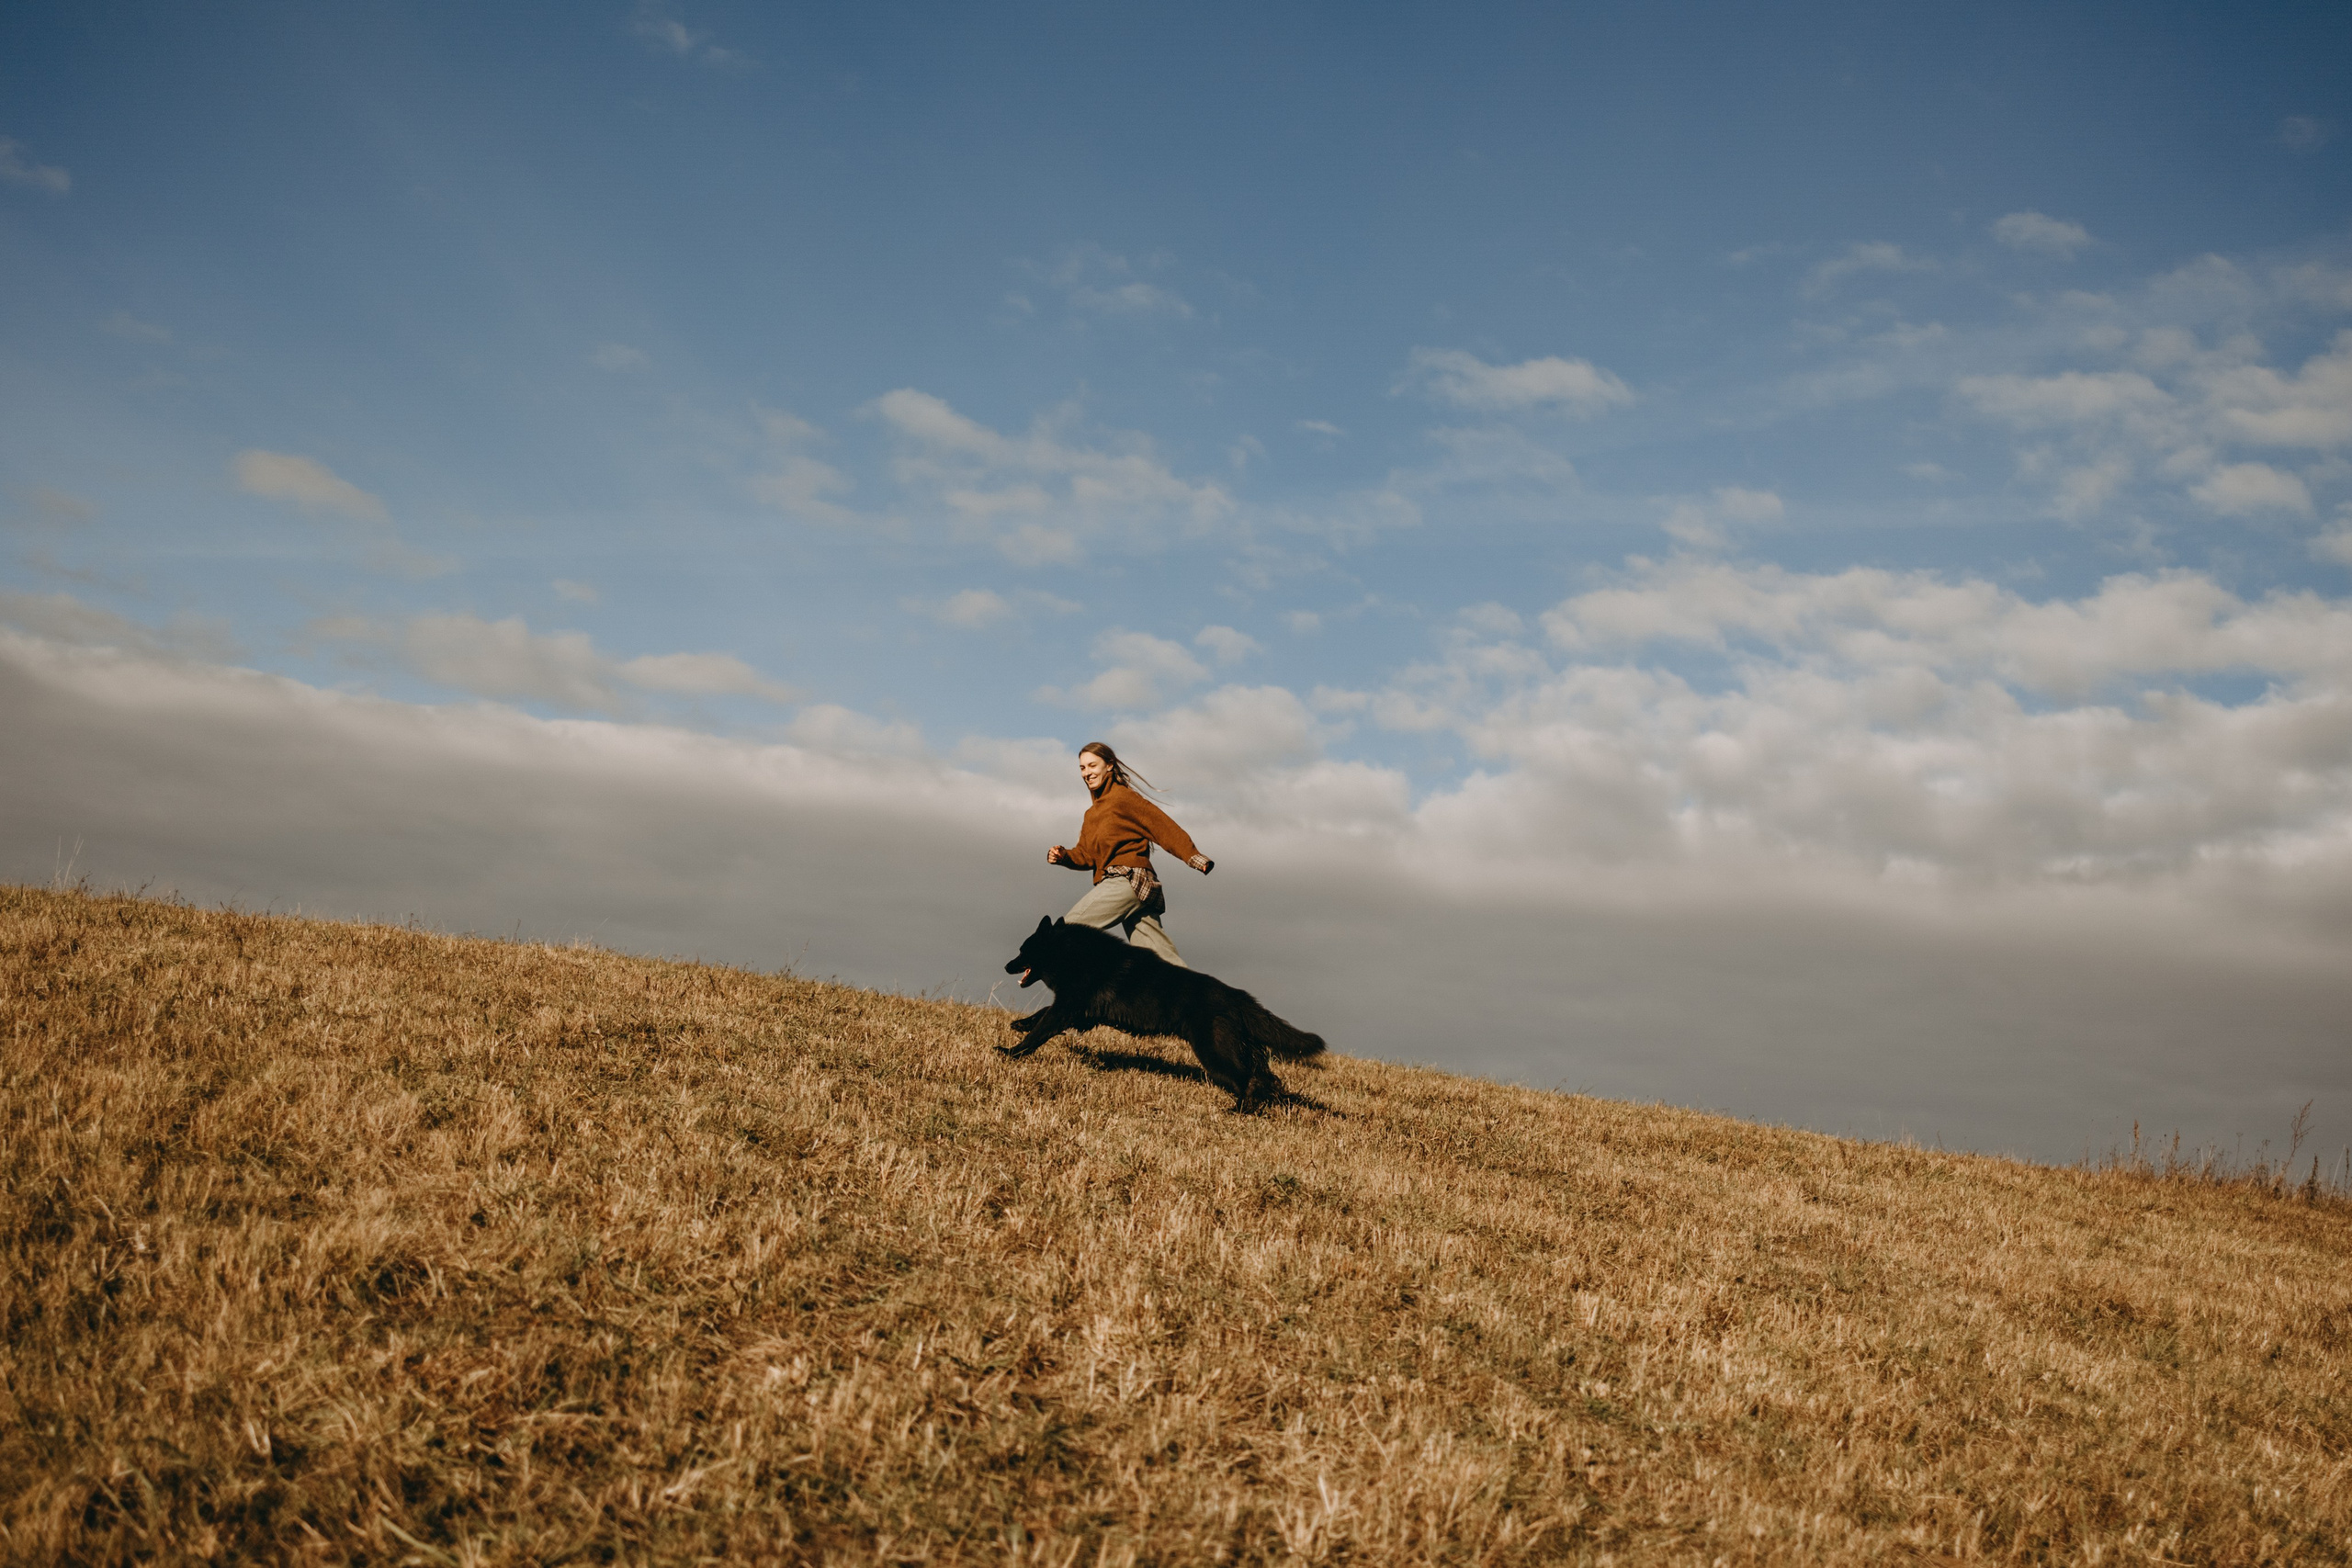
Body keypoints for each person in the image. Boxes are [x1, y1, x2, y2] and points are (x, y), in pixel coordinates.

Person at [1046, 741, 1212, 967]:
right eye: (1082, 768)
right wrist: (1064, 856)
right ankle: (1197, 1000)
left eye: (1092, 765)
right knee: (1162, 963)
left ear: (1110, 765)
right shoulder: (1092, 814)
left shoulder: (1124, 798)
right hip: (1132, 891)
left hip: (1128, 880)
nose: (1087, 773)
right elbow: (1087, 855)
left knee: (1067, 931)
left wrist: (1194, 857)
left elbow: (1163, 827)